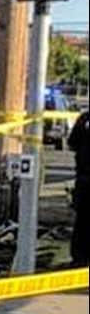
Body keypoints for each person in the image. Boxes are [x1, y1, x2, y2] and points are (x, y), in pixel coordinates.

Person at [68, 108, 89, 266]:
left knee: (82, 221)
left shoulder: (84, 118)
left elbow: (72, 143)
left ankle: (79, 258)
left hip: (84, 180)